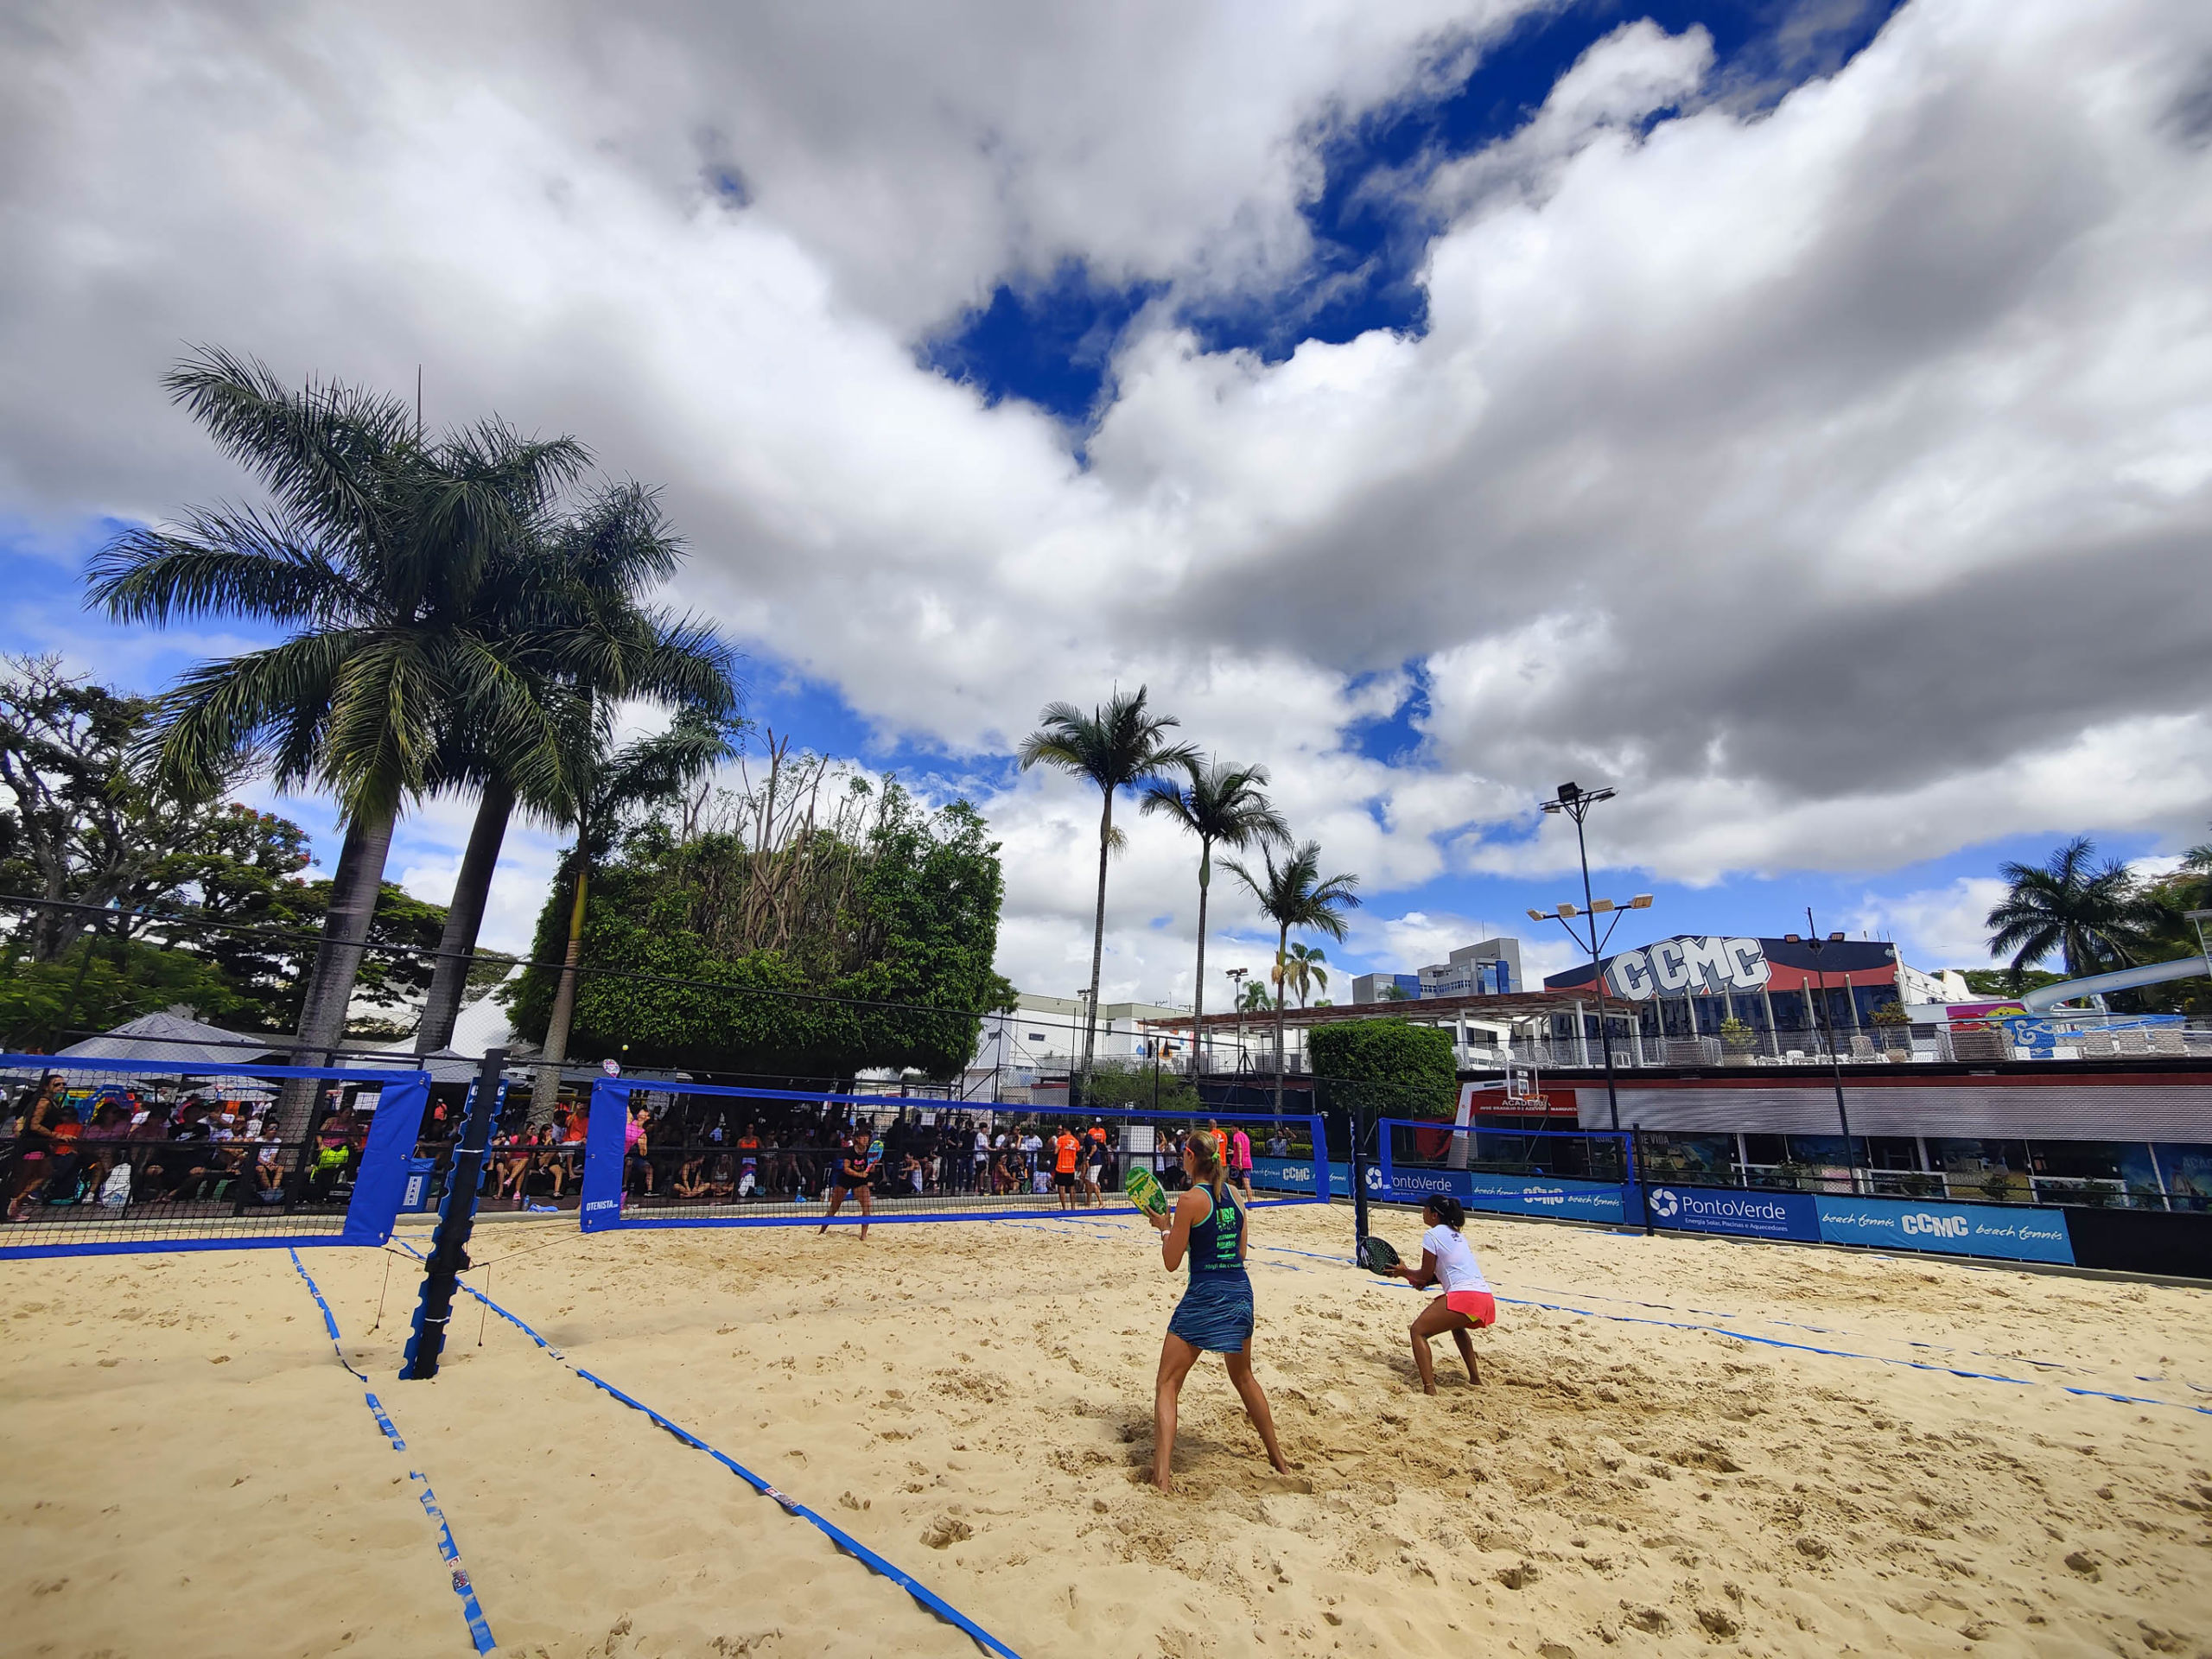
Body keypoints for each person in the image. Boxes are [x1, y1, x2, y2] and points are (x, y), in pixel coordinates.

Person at [1142, 1128, 1290, 1493]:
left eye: (1183, 1153)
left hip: (1206, 1294)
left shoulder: (1191, 1199)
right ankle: (1279, 1460)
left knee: (1167, 1383)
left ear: (1191, 1158)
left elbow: (1172, 1262)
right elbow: (1240, 1254)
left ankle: (1161, 1480)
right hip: (1240, 1291)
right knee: (1244, 1378)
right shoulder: (1237, 1195)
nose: (1181, 1158)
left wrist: (1164, 1229)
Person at [1385, 1196, 1495, 1393]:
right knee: (1457, 1327)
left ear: (1434, 1214)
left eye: (1425, 1208)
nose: (1422, 1212)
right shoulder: (1458, 1235)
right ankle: (1475, 1379)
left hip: (1465, 1296)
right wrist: (1418, 1279)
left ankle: (1429, 1389)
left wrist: (1404, 1272)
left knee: (1418, 1331)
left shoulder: (1432, 1234)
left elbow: (1426, 1274)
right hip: (1484, 1296)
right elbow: (1437, 1275)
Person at [5, 1074, 66, 1221]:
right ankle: (11, 1205)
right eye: (57, 1084)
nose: (61, 1087)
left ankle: (15, 1202)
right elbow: (34, 1125)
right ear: (46, 1086)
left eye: (63, 1084)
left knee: (44, 1173)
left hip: (41, 1143)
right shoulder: (44, 1102)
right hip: (32, 1142)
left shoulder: (53, 1101)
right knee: (24, 1176)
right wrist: (55, 1135)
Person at [817, 1129, 880, 1239]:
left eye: (867, 1137)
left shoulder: (870, 1152)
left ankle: (863, 1236)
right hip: (845, 1180)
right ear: (857, 1139)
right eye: (863, 1137)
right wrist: (860, 1174)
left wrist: (872, 1168)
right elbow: (846, 1169)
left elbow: (872, 1169)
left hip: (860, 1182)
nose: (865, 1139)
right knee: (834, 1207)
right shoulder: (849, 1151)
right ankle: (822, 1231)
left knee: (867, 1206)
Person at [1052, 1123, 1082, 1211]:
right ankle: (1073, 1207)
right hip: (1071, 1168)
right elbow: (1076, 1157)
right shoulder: (1076, 1141)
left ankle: (1064, 1208)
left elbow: (1056, 1152)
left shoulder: (1061, 1139)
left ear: (1065, 1129)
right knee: (1071, 1187)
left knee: (1061, 1188)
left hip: (1061, 1167)